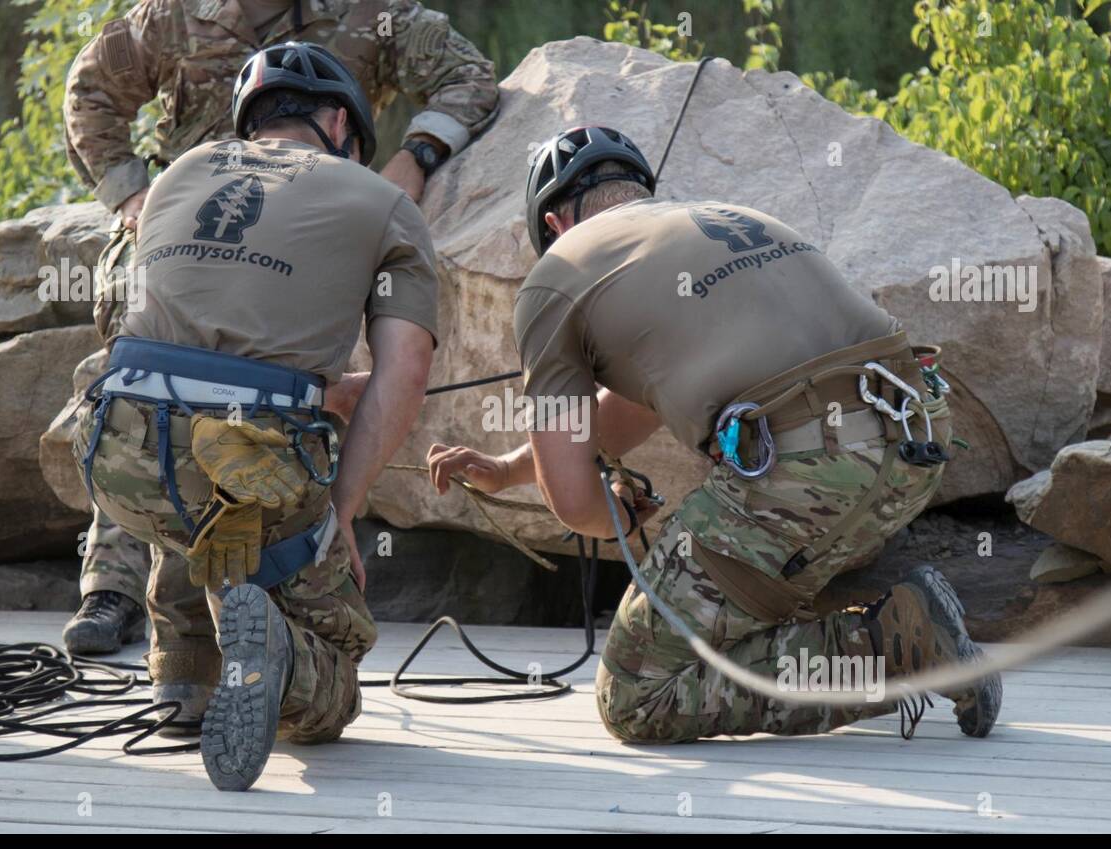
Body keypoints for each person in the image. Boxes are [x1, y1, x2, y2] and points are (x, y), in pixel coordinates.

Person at [426, 126, 1003, 745]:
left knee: (637, 692)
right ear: (637, 191)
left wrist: (609, 514)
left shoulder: (557, 273)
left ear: (552, 223)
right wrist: (509, 467)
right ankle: (896, 638)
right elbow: (625, 412)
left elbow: (571, 499)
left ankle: (897, 646)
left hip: (808, 466)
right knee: (718, 623)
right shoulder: (714, 219)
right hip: (913, 434)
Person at [60, 0, 497, 658]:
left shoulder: (373, 15)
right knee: (161, 376)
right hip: (182, 232)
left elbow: (469, 75)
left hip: (308, 246)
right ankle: (114, 586)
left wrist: (414, 156)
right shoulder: (173, 15)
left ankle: (190, 651)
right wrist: (133, 197)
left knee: (200, 384)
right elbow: (92, 89)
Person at [74, 42, 437, 790]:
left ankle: (182, 678)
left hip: (117, 453)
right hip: (251, 464)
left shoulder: (180, 173)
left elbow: (183, 344)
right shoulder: (384, 203)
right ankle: (278, 653)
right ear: (339, 122)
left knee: (185, 462)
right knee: (337, 665)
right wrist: (340, 510)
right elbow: (406, 373)